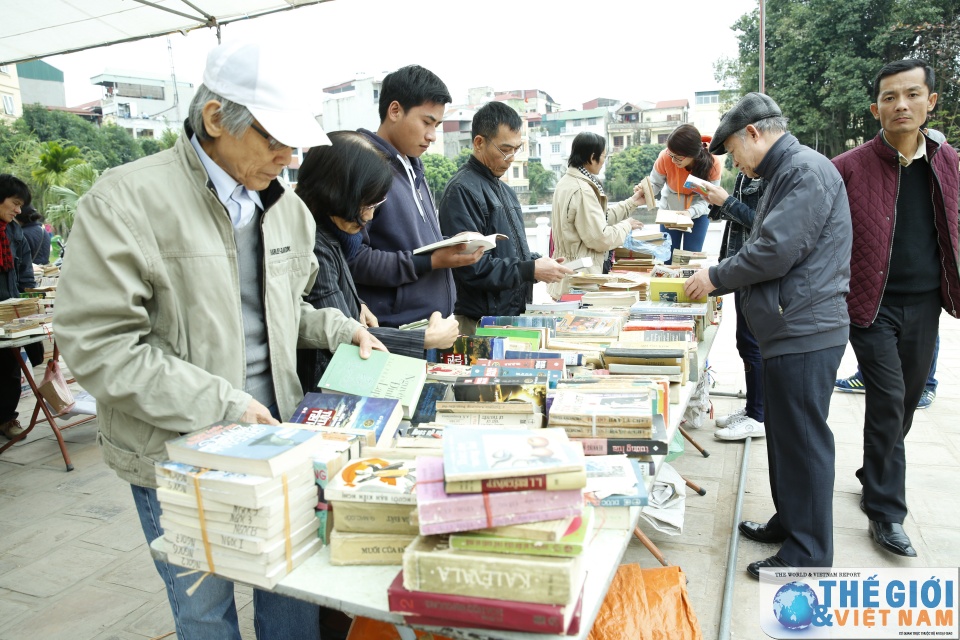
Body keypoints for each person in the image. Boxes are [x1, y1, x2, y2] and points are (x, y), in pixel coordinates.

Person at [54, 41, 385, 640]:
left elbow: (289, 308)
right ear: (215, 120)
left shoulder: (287, 209)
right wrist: (222, 403)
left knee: (291, 585)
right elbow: (99, 346)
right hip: (176, 448)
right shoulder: (125, 202)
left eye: (294, 144)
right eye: (273, 141)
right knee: (205, 609)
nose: (287, 158)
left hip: (281, 434)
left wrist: (340, 327)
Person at [684, 93, 852, 577]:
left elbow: (774, 250)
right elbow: (766, 232)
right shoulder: (786, 172)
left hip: (805, 327)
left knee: (802, 441)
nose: (735, 161)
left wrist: (715, 277)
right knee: (783, 436)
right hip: (790, 326)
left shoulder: (803, 171)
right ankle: (792, 521)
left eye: (734, 151)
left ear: (754, 134)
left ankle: (809, 554)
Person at [832, 59, 960, 558]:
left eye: (911, 94)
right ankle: (885, 509)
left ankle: (875, 468)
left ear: (931, 102)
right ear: (875, 109)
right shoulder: (849, 167)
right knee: (886, 397)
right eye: (889, 97)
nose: (900, 104)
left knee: (905, 402)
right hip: (869, 302)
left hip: (926, 301)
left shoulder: (948, 163)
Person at [294, 130, 460, 391]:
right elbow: (345, 337)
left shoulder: (333, 234)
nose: (370, 218)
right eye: (367, 206)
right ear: (337, 192)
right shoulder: (315, 244)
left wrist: (356, 301)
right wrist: (425, 339)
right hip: (328, 384)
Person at [349, 65, 483, 328]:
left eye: (437, 125)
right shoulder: (364, 167)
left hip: (432, 330)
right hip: (393, 334)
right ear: (395, 111)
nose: (432, 136)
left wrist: (447, 246)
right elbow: (353, 260)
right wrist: (429, 261)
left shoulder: (413, 167)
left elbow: (410, 244)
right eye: (426, 122)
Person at [437, 101, 572, 334]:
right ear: (479, 143)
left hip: (510, 315)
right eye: (504, 149)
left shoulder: (506, 191)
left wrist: (539, 262)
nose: (510, 158)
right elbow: (472, 267)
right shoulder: (462, 190)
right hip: (480, 322)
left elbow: (510, 253)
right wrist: (529, 270)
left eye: (516, 149)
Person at [701, 173, 767, 440]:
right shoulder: (746, 174)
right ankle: (753, 408)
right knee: (745, 341)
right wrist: (717, 202)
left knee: (753, 343)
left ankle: (758, 416)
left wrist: (727, 201)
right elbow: (735, 219)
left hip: (755, 269)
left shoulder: (771, 176)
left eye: (734, 151)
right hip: (740, 265)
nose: (734, 160)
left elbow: (761, 224)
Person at [548, 131, 644, 298]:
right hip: (580, 276)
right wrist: (626, 225)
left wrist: (632, 202)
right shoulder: (583, 190)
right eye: (603, 157)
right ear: (593, 157)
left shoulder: (566, 182)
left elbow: (600, 218)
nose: (603, 162)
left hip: (569, 271)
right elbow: (600, 238)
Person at [646, 123, 722, 260]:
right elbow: (654, 183)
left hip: (698, 213)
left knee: (690, 258)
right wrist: (644, 190)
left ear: (693, 154)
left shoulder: (713, 163)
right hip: (669, 211)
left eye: (678, 157)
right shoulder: (666, 156)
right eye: (671, 154)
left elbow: (710, 199)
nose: (673, 160)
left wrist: (690, 212)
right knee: (667, 257)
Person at [0, 174, 38, 440]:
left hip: (8, 311)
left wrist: (27, 305)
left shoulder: (14, 232)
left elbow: (24, 272)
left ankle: (6, 419)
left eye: (20, 205)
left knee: (9, 369)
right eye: (14, 203)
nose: (18, 210)